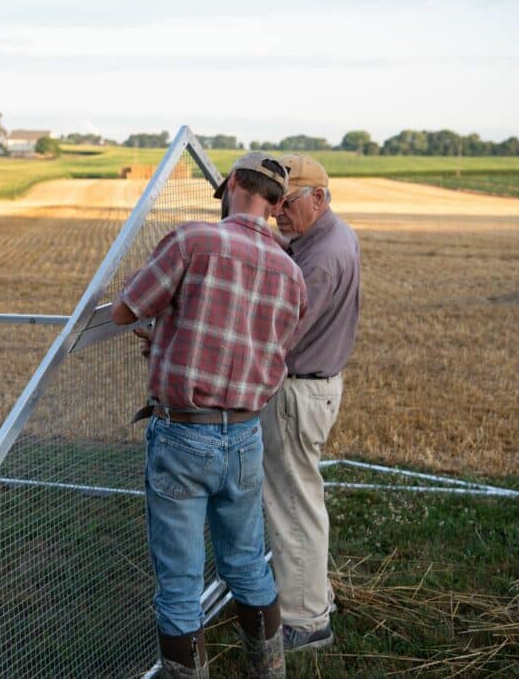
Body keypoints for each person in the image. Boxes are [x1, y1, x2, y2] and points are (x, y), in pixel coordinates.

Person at [111, 152, 307, 678]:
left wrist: (164, 328)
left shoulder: (193, 240)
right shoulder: (291, 272)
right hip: (244, 436)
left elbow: (126, 310)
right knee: (247, 565)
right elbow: (262, 347)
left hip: (182, 436)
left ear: (233, 185)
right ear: (276, 202)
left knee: (179, 584)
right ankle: (269, 671)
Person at [261, 154, 361, 652]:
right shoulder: (331, 235)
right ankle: (314, 596)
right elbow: (289, 246)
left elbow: (282, 333)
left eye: (288, 201)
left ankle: (305, 623)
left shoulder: (320, 260)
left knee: (291, 506)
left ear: (318, 198)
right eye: (274, 200)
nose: (277, 211)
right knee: (303, 499)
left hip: (298, 391)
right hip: (316, 388)